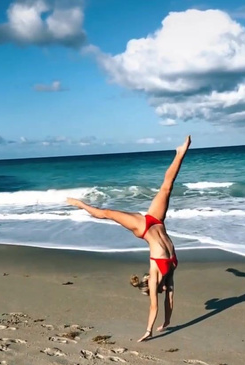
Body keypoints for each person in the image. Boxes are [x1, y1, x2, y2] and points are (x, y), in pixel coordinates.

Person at [67, 135, 191, 342]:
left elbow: (165, 301)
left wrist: (156, 327)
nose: (153, 289)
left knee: (165, 188)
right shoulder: (156, 275)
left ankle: (180, 153)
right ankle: (180, 154)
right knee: (162, 188)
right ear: (149, 281)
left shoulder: (164, 276)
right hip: (150, 224)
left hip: (153, 226)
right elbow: (160, 303)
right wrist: (156, 326)